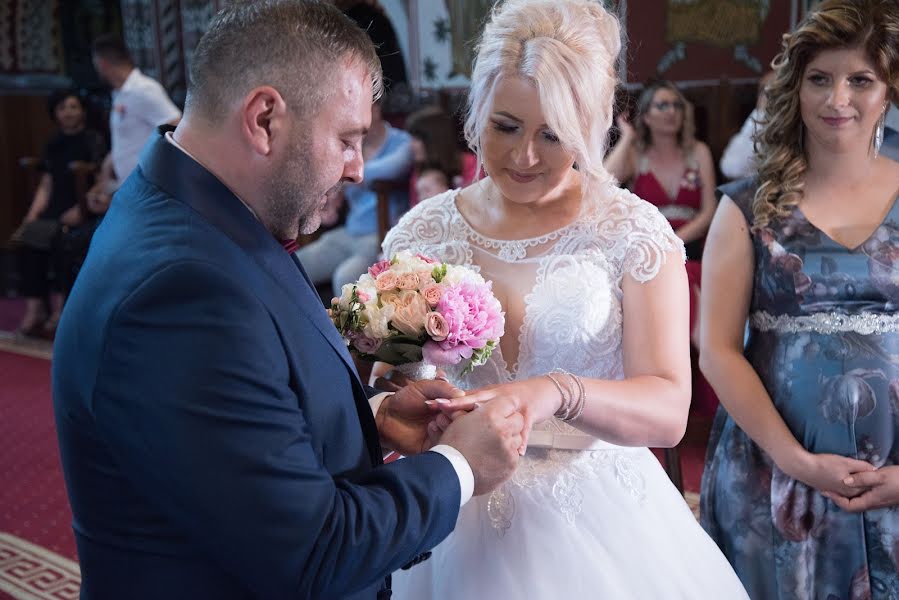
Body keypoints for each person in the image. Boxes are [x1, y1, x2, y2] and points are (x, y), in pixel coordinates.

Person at [52, 3, 525, 598]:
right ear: (265, 119)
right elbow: (311, 554)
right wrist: (458, 467)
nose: (358, 169)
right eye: (347, 139)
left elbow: (231, 439)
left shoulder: (207, 212)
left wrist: (371, 422)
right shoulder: (180, 292)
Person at [382, 1, 749, 597]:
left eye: (552, 134)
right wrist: (407, 409)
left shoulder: (632, 232)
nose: (524, 157)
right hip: (451, 506)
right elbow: (391, 382)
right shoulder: (422, 235)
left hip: (599, 516)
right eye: (506, 126)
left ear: (592, 127)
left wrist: (555, 391)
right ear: (477, 111)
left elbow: (668, 411)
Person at [699, 1, 899, 597]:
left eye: (859, 80)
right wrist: (797, 461)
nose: (838, 98)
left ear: (887, 93)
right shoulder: (745, 206)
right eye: (820, 79)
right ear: (796, 87)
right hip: (773, 474)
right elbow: (716, 351)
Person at [605, 79, 719, 416]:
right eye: (662, 105)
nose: (671, 112)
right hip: (646, 259)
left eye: (677, 105)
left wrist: (674, 241)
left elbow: (711, 208)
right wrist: (626, 138)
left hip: (693, 250)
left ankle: (712, 407)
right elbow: (602, 183)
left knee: (694, 291)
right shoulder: (637, 154)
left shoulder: (698, 151)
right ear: (648, 116)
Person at [11, 90, 106, 337]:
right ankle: (36, 307)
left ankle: (65, 308)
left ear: (82, 111)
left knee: (63, 240)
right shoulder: (52, 144)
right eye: (63, 108)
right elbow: (46, 184)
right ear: (55, 113)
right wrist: (31, 215)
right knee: (27, 237)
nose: (68, 112)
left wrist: (81, 208)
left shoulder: (93, 140)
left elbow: (101, 181)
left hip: (81, 209)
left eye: (74, 107)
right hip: (55, 208)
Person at [295, 97, 413, 295]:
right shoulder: (350, 147)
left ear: (374, 111)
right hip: (350, 231)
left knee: (344, 277)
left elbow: (395, 168)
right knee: (298, 263)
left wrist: (348, 175)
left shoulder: (402, 142)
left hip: (379, 235)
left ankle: (339, 327)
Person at [91, 33, 181, 187]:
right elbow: (129, 137)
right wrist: (109, 161)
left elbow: (176, 127)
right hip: (128, 186)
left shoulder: (144, 89)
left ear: (102, 64)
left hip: (150, 186)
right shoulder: (120, 93)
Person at [405, 106, 477, 207]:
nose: (411, 145)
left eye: (417, 139)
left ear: (435, 140)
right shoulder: (419, 172)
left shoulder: (471, 164)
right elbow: (415, 211)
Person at [720, 71, 775, 180]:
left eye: (776, 90)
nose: (770, 97)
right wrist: (761, 114)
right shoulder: (757, 120)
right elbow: (730, 167)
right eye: (764, 91)